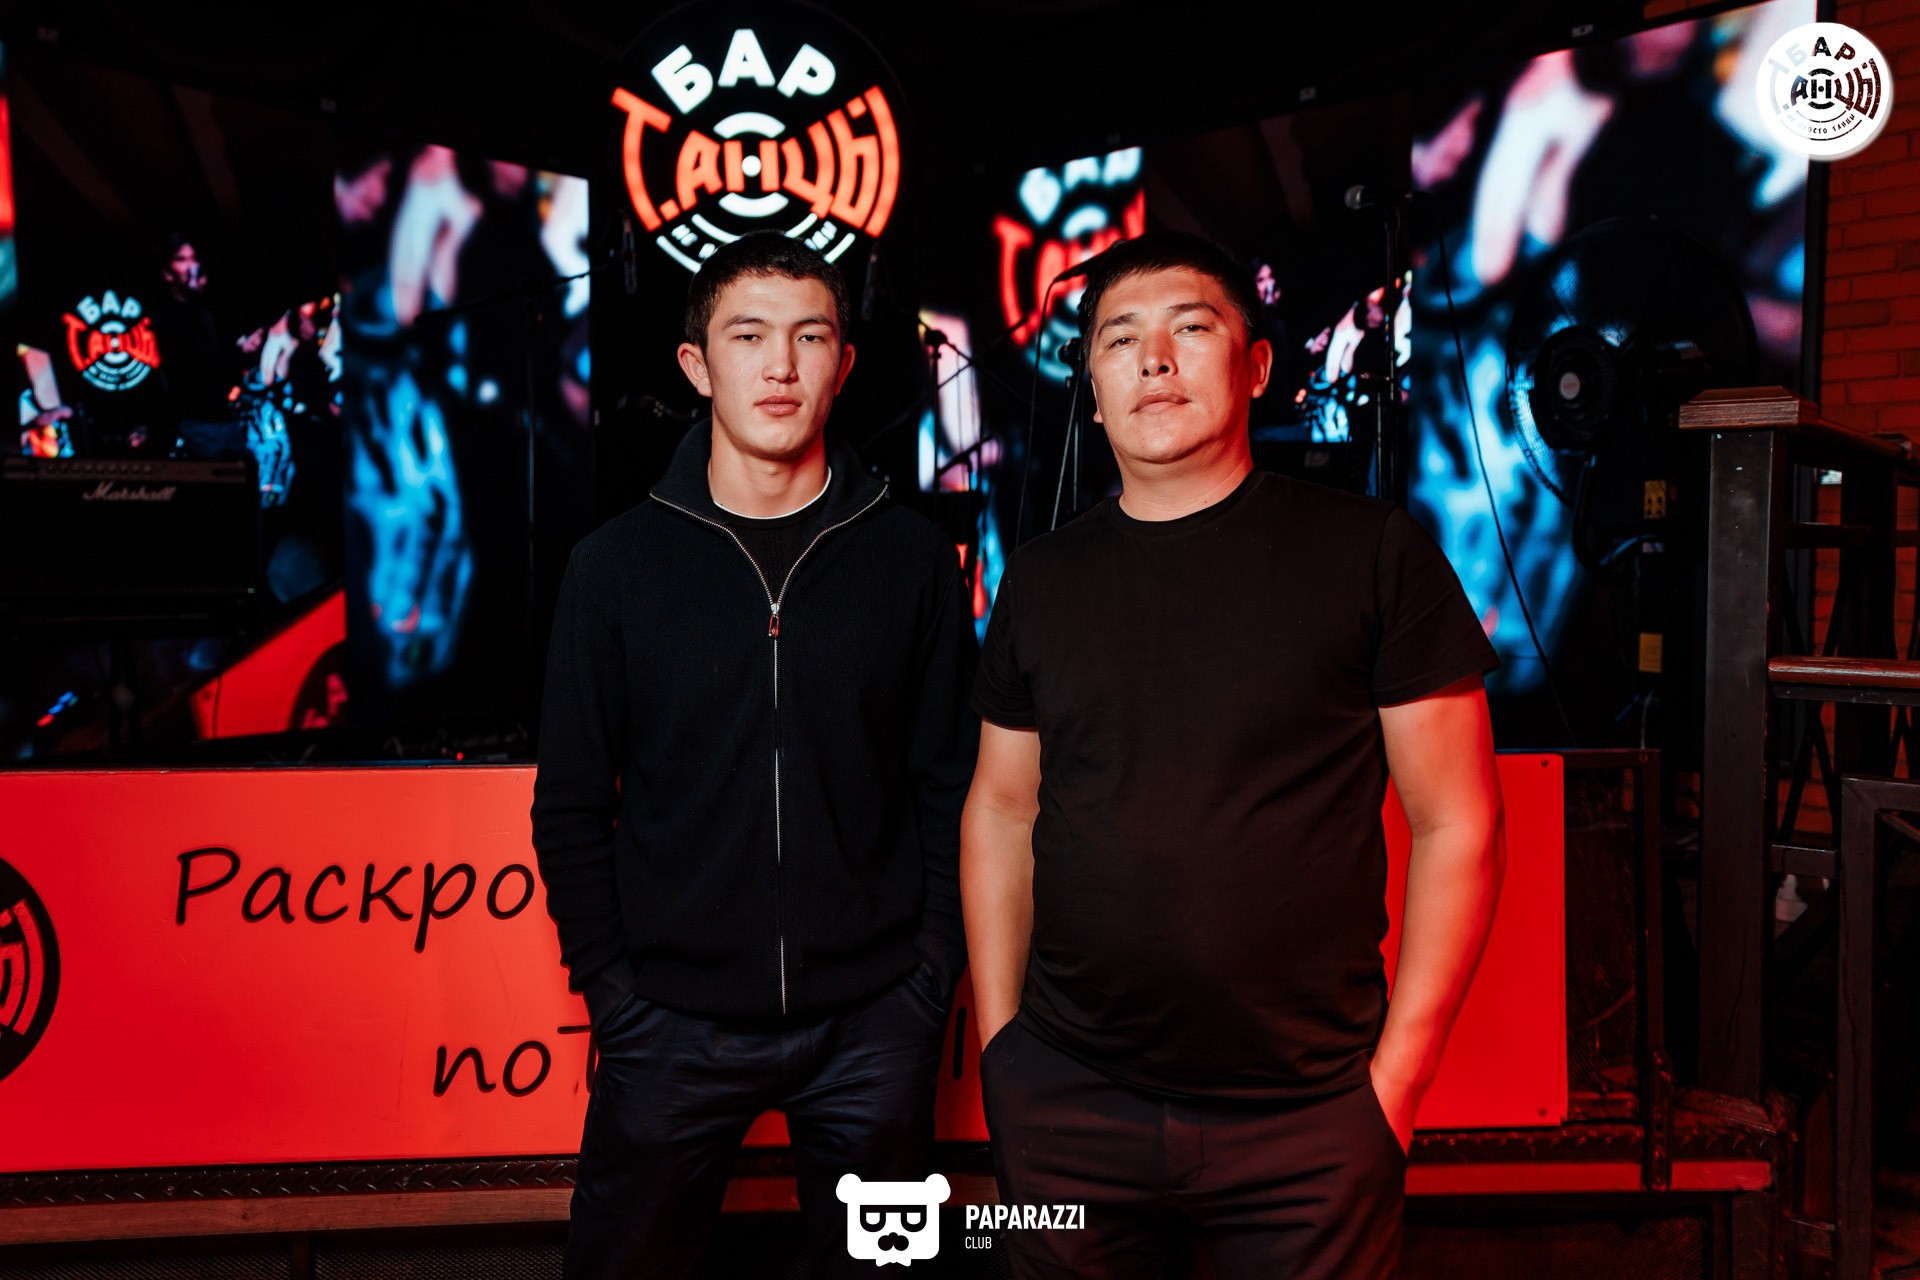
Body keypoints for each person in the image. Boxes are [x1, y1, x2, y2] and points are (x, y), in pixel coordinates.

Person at [962, 232, 1506, 1279]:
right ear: (1092, 387)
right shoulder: (1040, 580)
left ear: (1256, 365)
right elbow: (1001, 807)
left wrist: (1396, 1084)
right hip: (1066, 1104)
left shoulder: (1372, 552)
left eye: (1191, 327)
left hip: (1311, 1115)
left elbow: (1459, 822)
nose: (1154, 359)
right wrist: (1002, 1052)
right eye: (1120, 338)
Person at [531, 232, 976, 1279]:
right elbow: (571, 802)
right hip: (668, 1026)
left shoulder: (912, 559)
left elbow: (952, 785)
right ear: (698, 365)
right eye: (748, 336)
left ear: (844, 364)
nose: (780, 365)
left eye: (809, 336)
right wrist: (615, 993)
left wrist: (929, 976)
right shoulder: (613, 567)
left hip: (874, 1020)